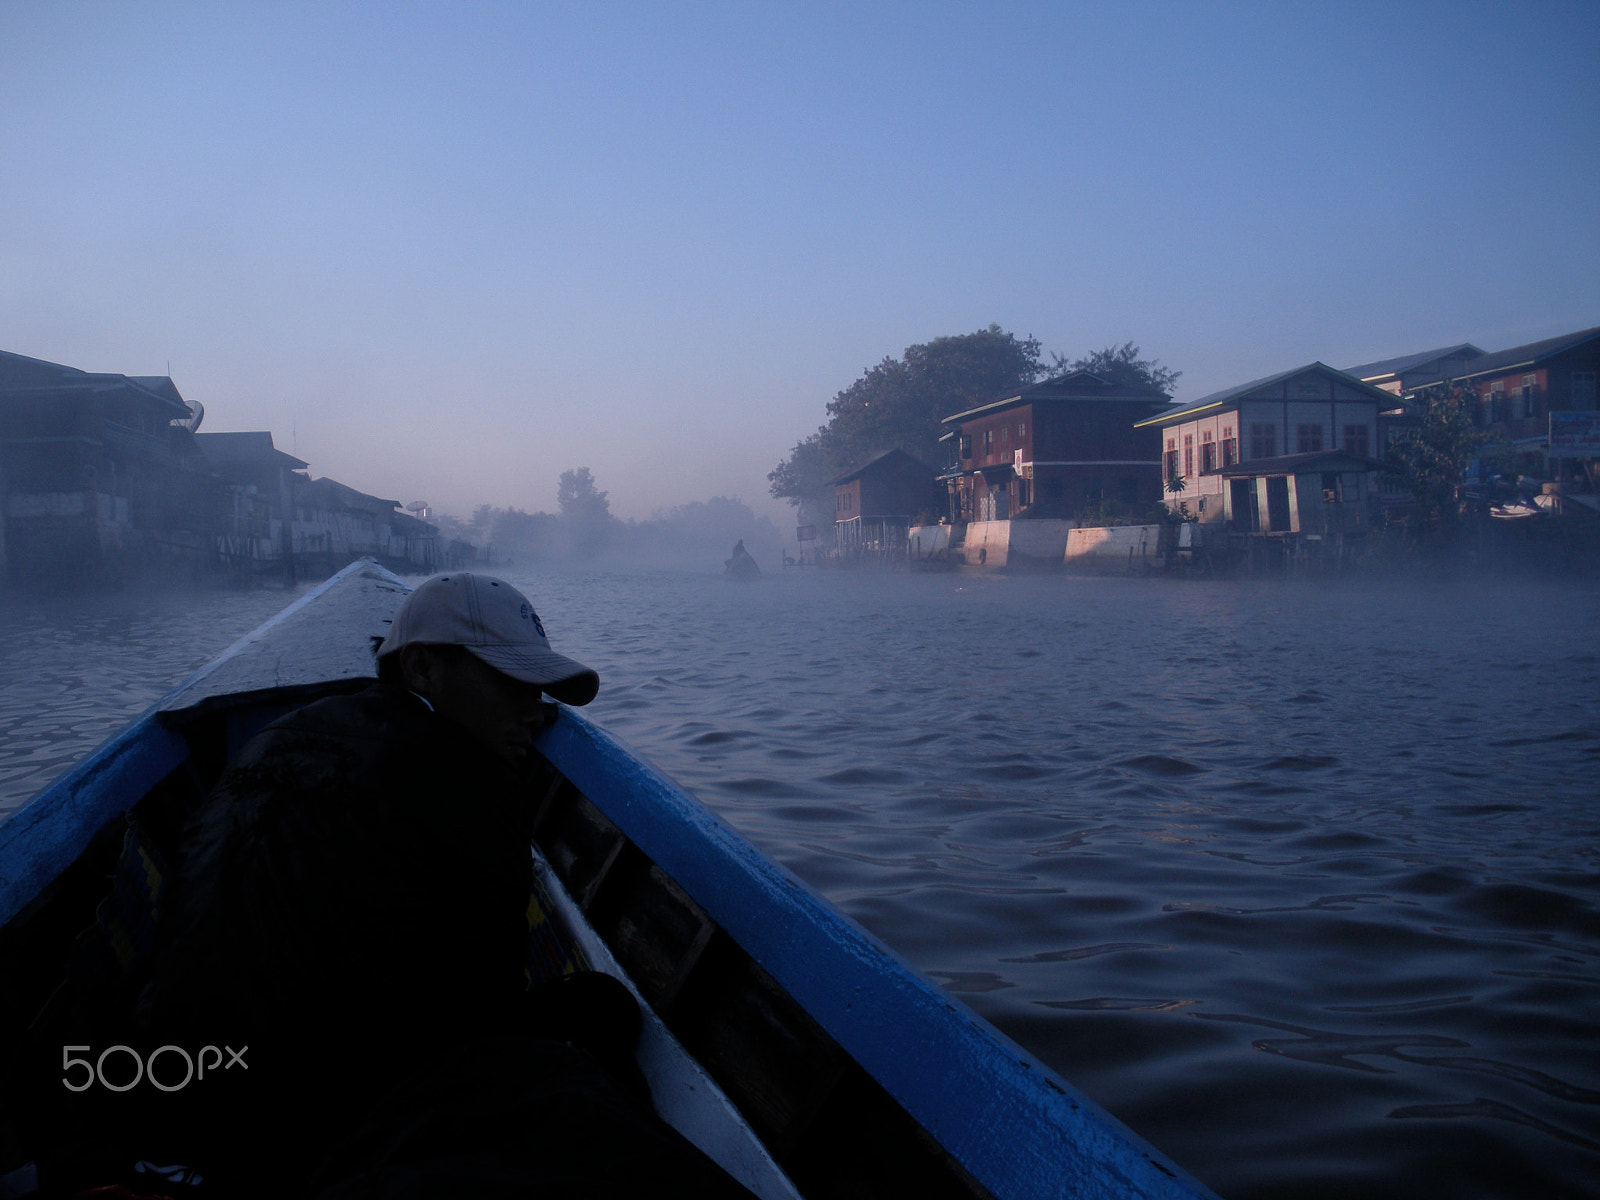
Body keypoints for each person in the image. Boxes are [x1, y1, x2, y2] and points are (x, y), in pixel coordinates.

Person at [102, 573, 752, 1198]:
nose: (534, 715)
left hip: (181, 1099)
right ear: (421, 669)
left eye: (540, 691)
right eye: (510, 685)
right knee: (601, 1012)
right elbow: (481, 1021)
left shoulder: (286, 736)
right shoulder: (465, 787)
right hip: (309, 1130)